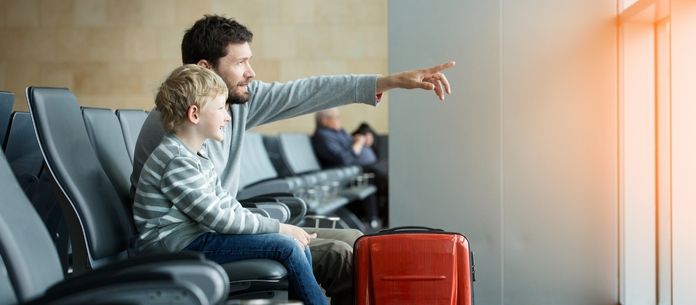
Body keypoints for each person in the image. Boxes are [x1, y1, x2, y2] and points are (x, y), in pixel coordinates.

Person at [130, 15, 454, 305]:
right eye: (241, 62)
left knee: (358, 241)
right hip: (204, 238)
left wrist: (389, 82)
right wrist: (278, 228)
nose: (251, 73)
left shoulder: (232, 106)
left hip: (224, 227)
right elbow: (208, 219)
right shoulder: (176, 131)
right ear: (204, 70)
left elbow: (306, 91)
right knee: (343, 255)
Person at [133, 64, 327, 305]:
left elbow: (225, 202)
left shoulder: (196, 153)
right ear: (195, 114)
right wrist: (280, 228)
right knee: (287, 246)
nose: (227, 116)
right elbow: (218, 219)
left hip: (194, 238)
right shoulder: (175, 160)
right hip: (173, 247)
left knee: (295, 245)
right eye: (221, 108)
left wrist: (281, 229)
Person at [312, 108, 388, 227]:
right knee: (388, 180)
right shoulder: (323, 136)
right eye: (336, 117)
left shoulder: (339, 132)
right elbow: (344, 159)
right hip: (357, 170)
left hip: (368, 166)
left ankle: (378, 219)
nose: (339, 120)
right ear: (325, 120)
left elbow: (348, 146)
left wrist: (361, 139)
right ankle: (380, 221)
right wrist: (358, 143)